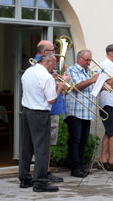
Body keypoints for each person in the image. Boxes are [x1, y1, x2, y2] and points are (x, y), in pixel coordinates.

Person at [19, 53, 65, 192]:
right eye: (54, 64)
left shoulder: (28, 71)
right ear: (48, 62)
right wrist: (59, 88)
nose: (55, 67)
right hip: (39, 113)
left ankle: (25, 178)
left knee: (26, 147)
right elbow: (51, 99)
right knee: (41, 149)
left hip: (26, 111)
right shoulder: (46, 76)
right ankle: (40, 182)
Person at [33, 40, 66, 183]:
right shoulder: (36, 64)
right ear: (45, 52)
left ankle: (46, 170)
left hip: (53, 107)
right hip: (46, 108)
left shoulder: (50, 63)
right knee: (43, 143)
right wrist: (60, 83)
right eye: (52, 50)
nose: (55, 52)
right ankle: (42, 172)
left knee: (49, 143)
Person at [64, 49, 99, 177]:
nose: (89, 63)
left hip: (86, 111)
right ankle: (74, 167)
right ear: (79, 59)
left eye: (90, 60)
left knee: (83, 140)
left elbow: (90, 89)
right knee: (75, 140)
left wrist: (99, 83)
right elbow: (76, 87)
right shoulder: (71, 70)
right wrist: (92, 80)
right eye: (87, 60)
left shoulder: (87, 72)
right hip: (75, 111)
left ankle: (81, 165)